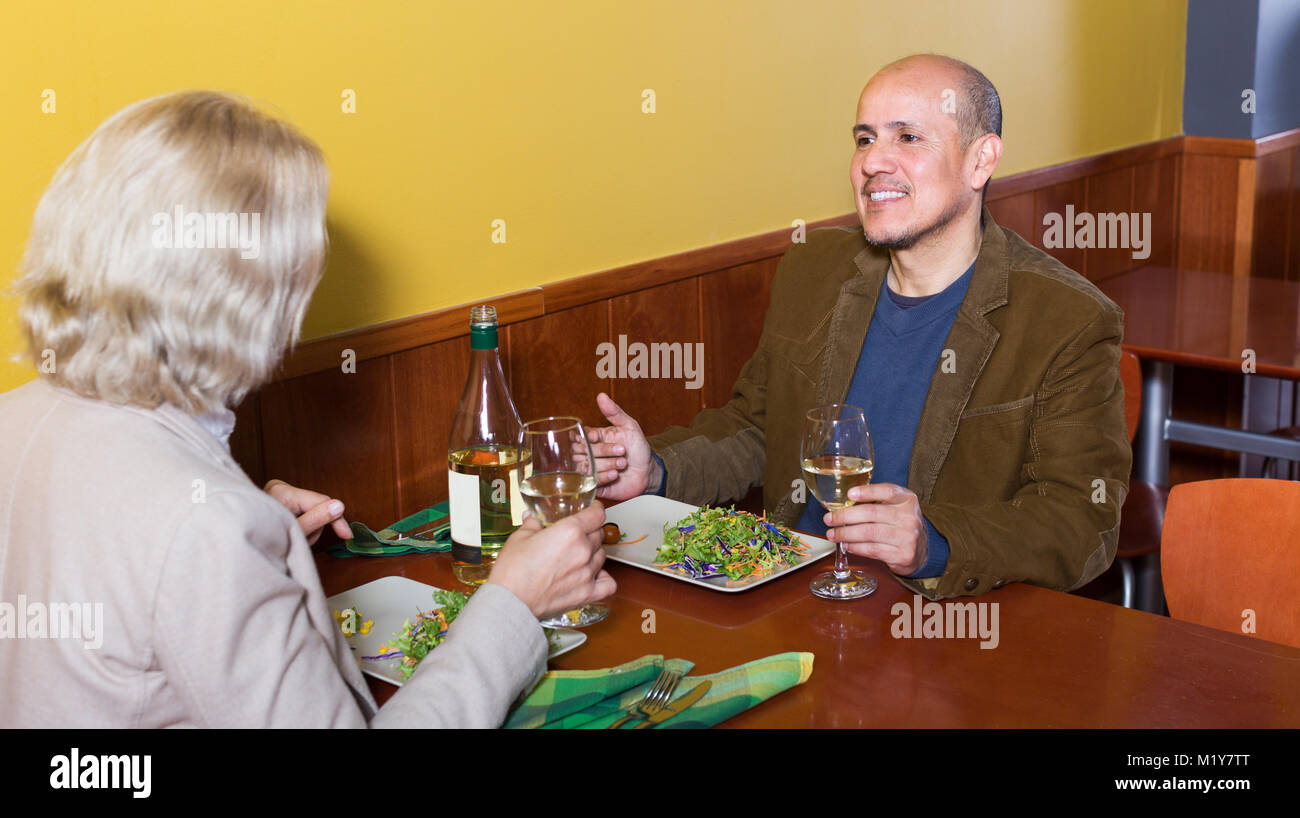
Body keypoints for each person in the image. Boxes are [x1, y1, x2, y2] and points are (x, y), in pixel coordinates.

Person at [0, 90, 614, 727]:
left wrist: (253, 550)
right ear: (247, 296)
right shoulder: (205, 529)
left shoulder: (17, 421)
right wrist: (513, 603)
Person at [587, 54, 1130, 600]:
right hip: (785, 594)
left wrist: (933, 541)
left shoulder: (1069, 319)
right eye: (865, 139)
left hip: (940, 623)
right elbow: (758, 430)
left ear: (980, 160)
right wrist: (657, 469)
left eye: (909, 137)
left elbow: (1081, 520)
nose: (875, 163)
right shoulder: (813, 268)